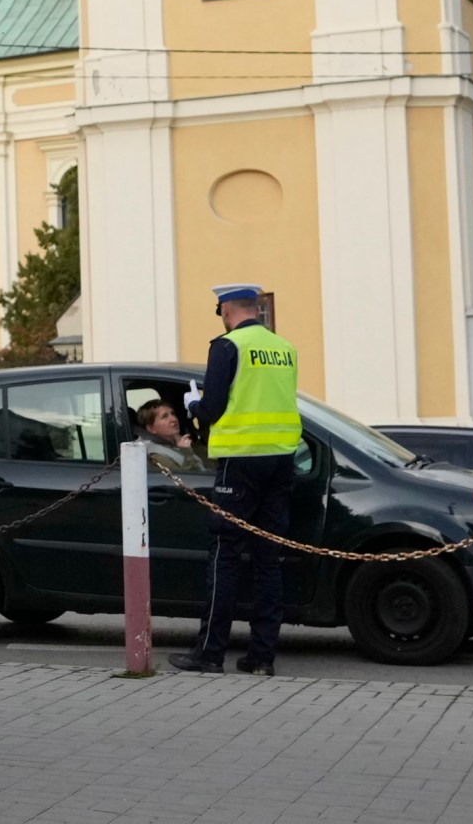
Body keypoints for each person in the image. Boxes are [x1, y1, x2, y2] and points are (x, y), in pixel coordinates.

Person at [168, 284, 300, 677]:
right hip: (281, 462)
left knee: (225, 555)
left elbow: (211, 410)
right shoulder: (284, 348)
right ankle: (262, 658)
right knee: (268, 561)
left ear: (227, 310)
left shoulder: (227, 347)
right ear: (256, 310)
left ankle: (209, 653)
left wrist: (193, 404)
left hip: (240, 464)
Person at [136, 399, 199, 470]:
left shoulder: (175, 443)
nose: (173, 419)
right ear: (151, 429)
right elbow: (184, 479)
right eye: (164, 417)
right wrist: (187, 454)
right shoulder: (155, 455)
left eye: (173, 414)